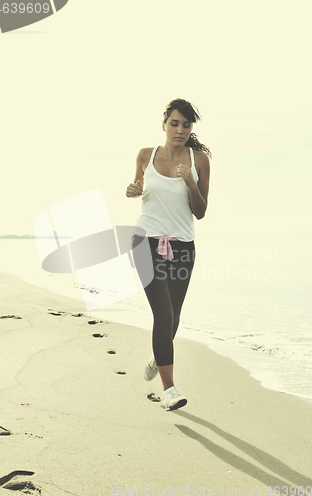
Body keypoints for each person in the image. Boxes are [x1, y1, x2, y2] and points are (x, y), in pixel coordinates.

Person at [126, 98, 211, 411]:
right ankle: (169, 389)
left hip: (183, 246)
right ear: (164, 124)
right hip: (145, 241)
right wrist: (131, 190)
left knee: (172, 319)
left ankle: (156, 357)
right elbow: (136, 187)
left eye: (186, 125)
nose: (180, 129)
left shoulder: (199, 159)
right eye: (174, 123)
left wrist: (191, 182)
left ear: (191, 128)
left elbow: (200, 212)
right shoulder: (146, 155)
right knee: (162, 314)